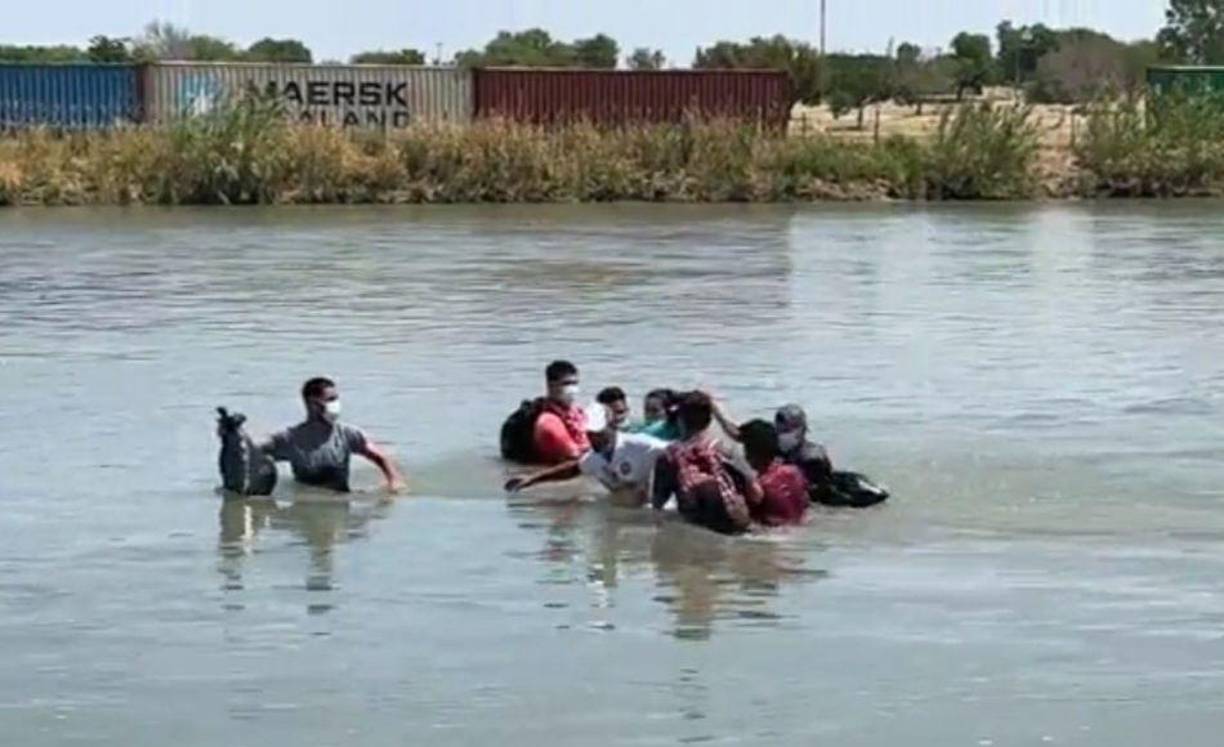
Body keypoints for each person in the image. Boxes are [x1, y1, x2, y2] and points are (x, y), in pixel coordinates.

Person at [258, 377, 404, 493]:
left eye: (336, 398)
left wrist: (394, 480)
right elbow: (254, 453)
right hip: (305, 504)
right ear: (312, 403)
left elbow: (380, 457)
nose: (335, 404)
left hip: (341, 499)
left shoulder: (348, 434)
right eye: (330, 400)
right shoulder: (289, 438)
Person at [505, 404, 668, 505]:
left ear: (611, 427)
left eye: (598, 434)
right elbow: (573, 469)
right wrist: (531, 479)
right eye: (589, 434)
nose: (593, 439)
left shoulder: (641, 445)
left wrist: (660, 487)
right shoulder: (594, 459)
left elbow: (679, 451)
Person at [651, 392, 762, 535]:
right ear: (709, 421)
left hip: (697, 526)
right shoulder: (726, 449)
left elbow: (657, 507)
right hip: (737, 522)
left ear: (680, 420)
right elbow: (756, 494)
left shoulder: (668, 456)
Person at [739, 419, 809, 527]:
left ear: (749, 453)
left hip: (774, 535)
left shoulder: (759, 487)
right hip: (802, 527)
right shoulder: (795, 472)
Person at [531, 360, 591, 465]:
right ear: (551, 386)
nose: (572, 389)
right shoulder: (548, 421)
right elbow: (575, 456)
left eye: (575, 383)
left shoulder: (577, 412)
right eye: (566, 384)